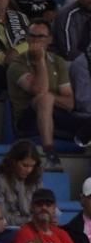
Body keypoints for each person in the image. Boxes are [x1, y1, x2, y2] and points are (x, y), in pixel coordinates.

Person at [8, 20, 87, 170]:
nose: (36, 40)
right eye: (32, 36)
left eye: (41, 37)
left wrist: (50, 98)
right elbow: (39, 91)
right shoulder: (17, 64)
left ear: (50, 39)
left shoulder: (58, 61)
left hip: (57, 116)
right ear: (27, 38)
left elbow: (69, 103)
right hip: (28, 120)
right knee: (44, 99)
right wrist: (40, 61)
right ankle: (50, 152)